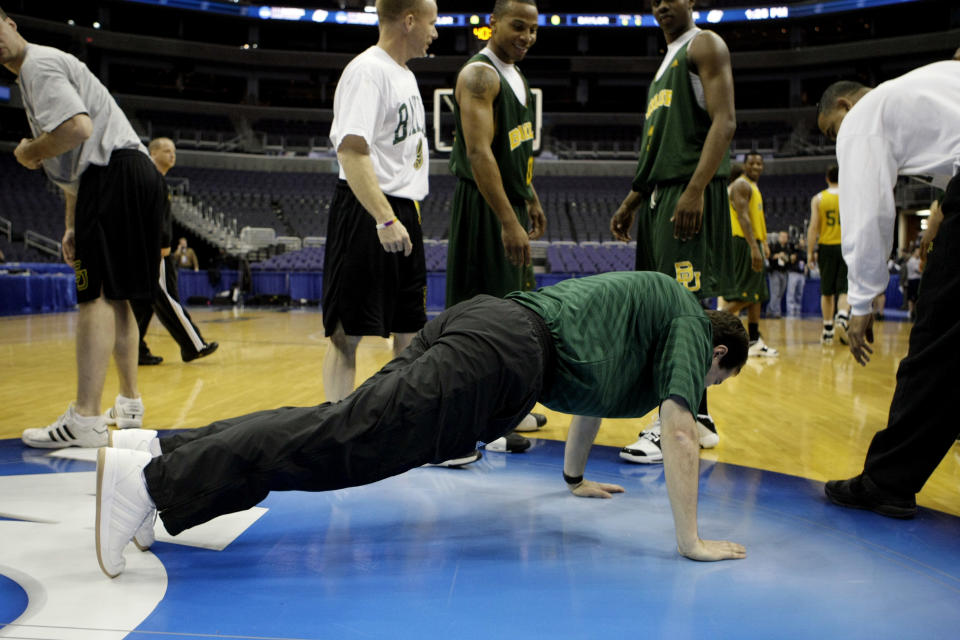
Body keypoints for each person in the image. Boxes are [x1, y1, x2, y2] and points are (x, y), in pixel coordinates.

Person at [94, 270, 750, 579]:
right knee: (341, 443)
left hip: (487, 324)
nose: (701, 388)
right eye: (712, 383)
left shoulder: (656, 310)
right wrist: (691, 539)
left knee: (336, 422)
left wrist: (575, 476)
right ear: (718, 355)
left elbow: (592, 400)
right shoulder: (693, 325)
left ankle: (158, 450)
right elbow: (680, 426)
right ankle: (153, 481)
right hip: (503, 358)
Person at [4, 8, 166, 447]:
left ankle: (86, 418)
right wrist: (71, 226)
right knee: (120, 298)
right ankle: (129, 405)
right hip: (134, 171)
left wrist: (29, 152)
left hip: (111, 173)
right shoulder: (39, 72)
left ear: (12, 24)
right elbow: (76, 167)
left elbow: (77, 129)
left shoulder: (37, 66)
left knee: (92, 295)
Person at [815, 59, 960, 517]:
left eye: (831, 130)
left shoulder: (865, 113)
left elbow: (870, 208)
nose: (836, 141)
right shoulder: (931, 85)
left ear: (844, 104)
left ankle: (887, 480)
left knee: (937, 346)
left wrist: (861, 301)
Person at [606, 0, 737, 464]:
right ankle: (697, 418)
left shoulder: (705, 44)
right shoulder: (666, 63)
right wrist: (632, 201)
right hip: (663, 194)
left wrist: (696, 189)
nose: (662, 4)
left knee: (684, 311)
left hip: (689, 190)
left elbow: (725, 122)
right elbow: (659, 148)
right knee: (671, 308)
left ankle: (675, 422)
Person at [320, 0, 437, 423]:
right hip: (370, 209)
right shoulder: (367, 71)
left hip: (406, 208)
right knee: (346, 331)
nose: (434, 32)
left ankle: (397, 422)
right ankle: (332, 427)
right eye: (431, 22)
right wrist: (384, 218)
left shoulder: (403, 74)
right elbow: (352, 150)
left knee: (408, 325)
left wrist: (398, 216)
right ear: (409, 21)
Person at [445, 0, 547, 452]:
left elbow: (515, 152)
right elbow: (480, 153)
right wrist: (508, 219)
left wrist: (531, 199)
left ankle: (503, 407)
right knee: (481, 318)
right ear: (492, 25)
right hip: (486, 208)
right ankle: (473, 423)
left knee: (512, 314)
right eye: (517, 26)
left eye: (533, 29)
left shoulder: (516, 76)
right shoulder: (479, 75)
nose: (526, 36)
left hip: (510, 203)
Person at [130, 138, 218, 367]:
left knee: (142, 302)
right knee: (167, 297)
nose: (172, 155)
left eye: (174, 151)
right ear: (153, 152)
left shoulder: (149, 178)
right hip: (154, 251)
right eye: (167, 151)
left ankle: (134, 350)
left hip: (140, 250)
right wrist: (163, 245)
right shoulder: (152, 178)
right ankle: (193, 345)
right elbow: (156, 218)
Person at [721, 152, 779, 357]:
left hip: (753, 242)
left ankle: (754, 340)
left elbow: (755, 219)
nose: (756, 166)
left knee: (757, 294)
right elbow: (743, 217)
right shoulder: (741, 185)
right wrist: (754, 246)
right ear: (745, 165)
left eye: (759, 163)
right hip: (743, 242)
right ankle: (710, 321)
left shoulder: (752, 187)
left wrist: (762, 243)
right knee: (745, 294)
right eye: (752, 163)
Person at [806, 164, 851, 344]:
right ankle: (841, 316)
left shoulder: (818, 198)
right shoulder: (850, 197)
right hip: (846, 246)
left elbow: (813, 227)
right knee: (844, 288)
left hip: (826, 246)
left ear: (827, 178)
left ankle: (827, 329)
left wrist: (810, 252)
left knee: (827, 291)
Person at [766, 230, 790, 318]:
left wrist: (787, 258)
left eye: (785, 237)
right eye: (782, 236)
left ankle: (772, 311)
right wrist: (778, 255)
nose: (784, 238)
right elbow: (769, 257)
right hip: (774, 271)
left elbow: (790, 260)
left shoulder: (788, 248)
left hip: (784, 272)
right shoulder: (773, 246)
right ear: (778, 237)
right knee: (775, 292)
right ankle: (775, 312)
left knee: (780, 293)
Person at [785, 235, 806, 317]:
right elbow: (790, 259)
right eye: (800, 242)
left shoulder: (804, 252)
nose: (802, 244)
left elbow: (805, 262)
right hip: (793, 273)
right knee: (791, 293)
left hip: (801, 274)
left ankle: (797, 311)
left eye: (803, 242)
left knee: (799, 293)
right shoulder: (793, 250)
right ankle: (790, 312)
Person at [903, 246, 922, 321]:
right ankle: (911, 311)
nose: (919, 253)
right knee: (911, 297)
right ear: (914, 252)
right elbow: (919, 270)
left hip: (918, 280)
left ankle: (915, 312)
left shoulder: (919, 260)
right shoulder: (912, 260)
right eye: (917, 251)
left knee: (917, 297)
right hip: (912, 280)